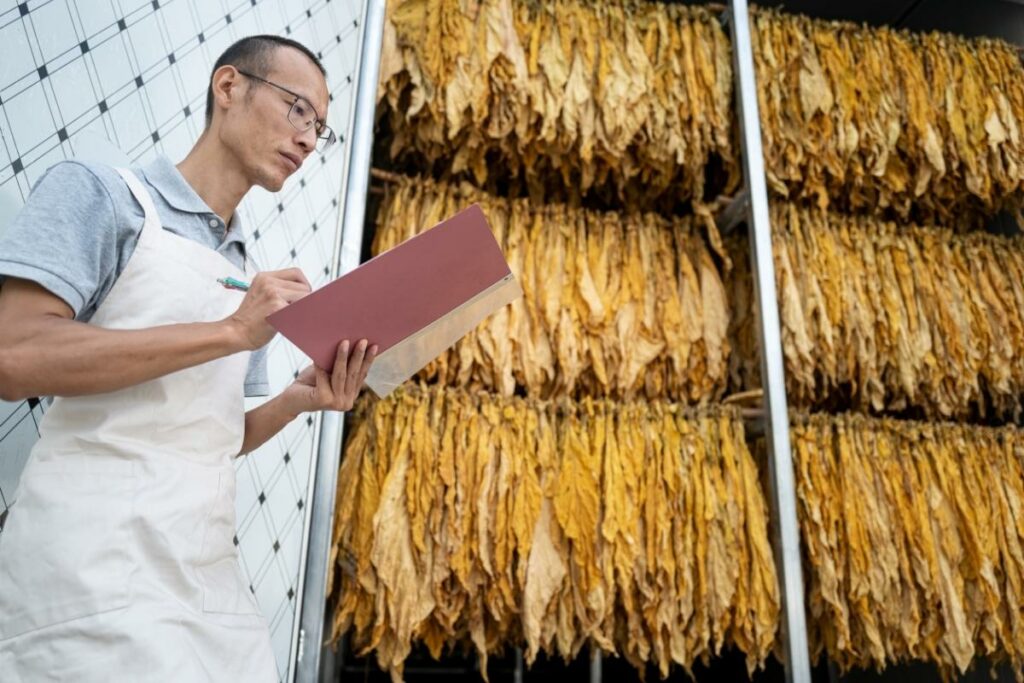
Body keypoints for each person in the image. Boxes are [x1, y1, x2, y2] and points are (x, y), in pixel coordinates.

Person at [0, 35, 375, 681]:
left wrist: (298, 398)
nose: (310, 138)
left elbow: (213, 435)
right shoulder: (103, 194)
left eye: (322, 128)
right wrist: (230, 331)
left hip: (207, 572)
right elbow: (15, 354)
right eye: (297, 109)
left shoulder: (243, 268)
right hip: (94, 558)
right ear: (228, 87)